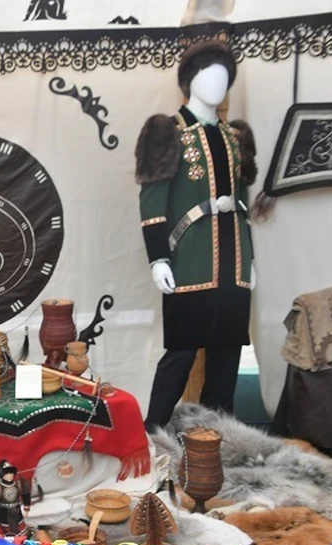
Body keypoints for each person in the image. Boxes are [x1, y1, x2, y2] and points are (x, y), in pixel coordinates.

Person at [134, 39, 257, 429]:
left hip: (234, 264)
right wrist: (158, 258)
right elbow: (152, 203)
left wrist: (250, 262)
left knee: (226, 359)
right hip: (190, 260)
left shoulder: (235, 138)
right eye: (208, 75)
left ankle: (214, 439)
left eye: (224, 78)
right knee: (181, 354)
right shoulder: (167, 133)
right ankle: (152, 434)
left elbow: (243, 205)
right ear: (189, 81)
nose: (217, 85)